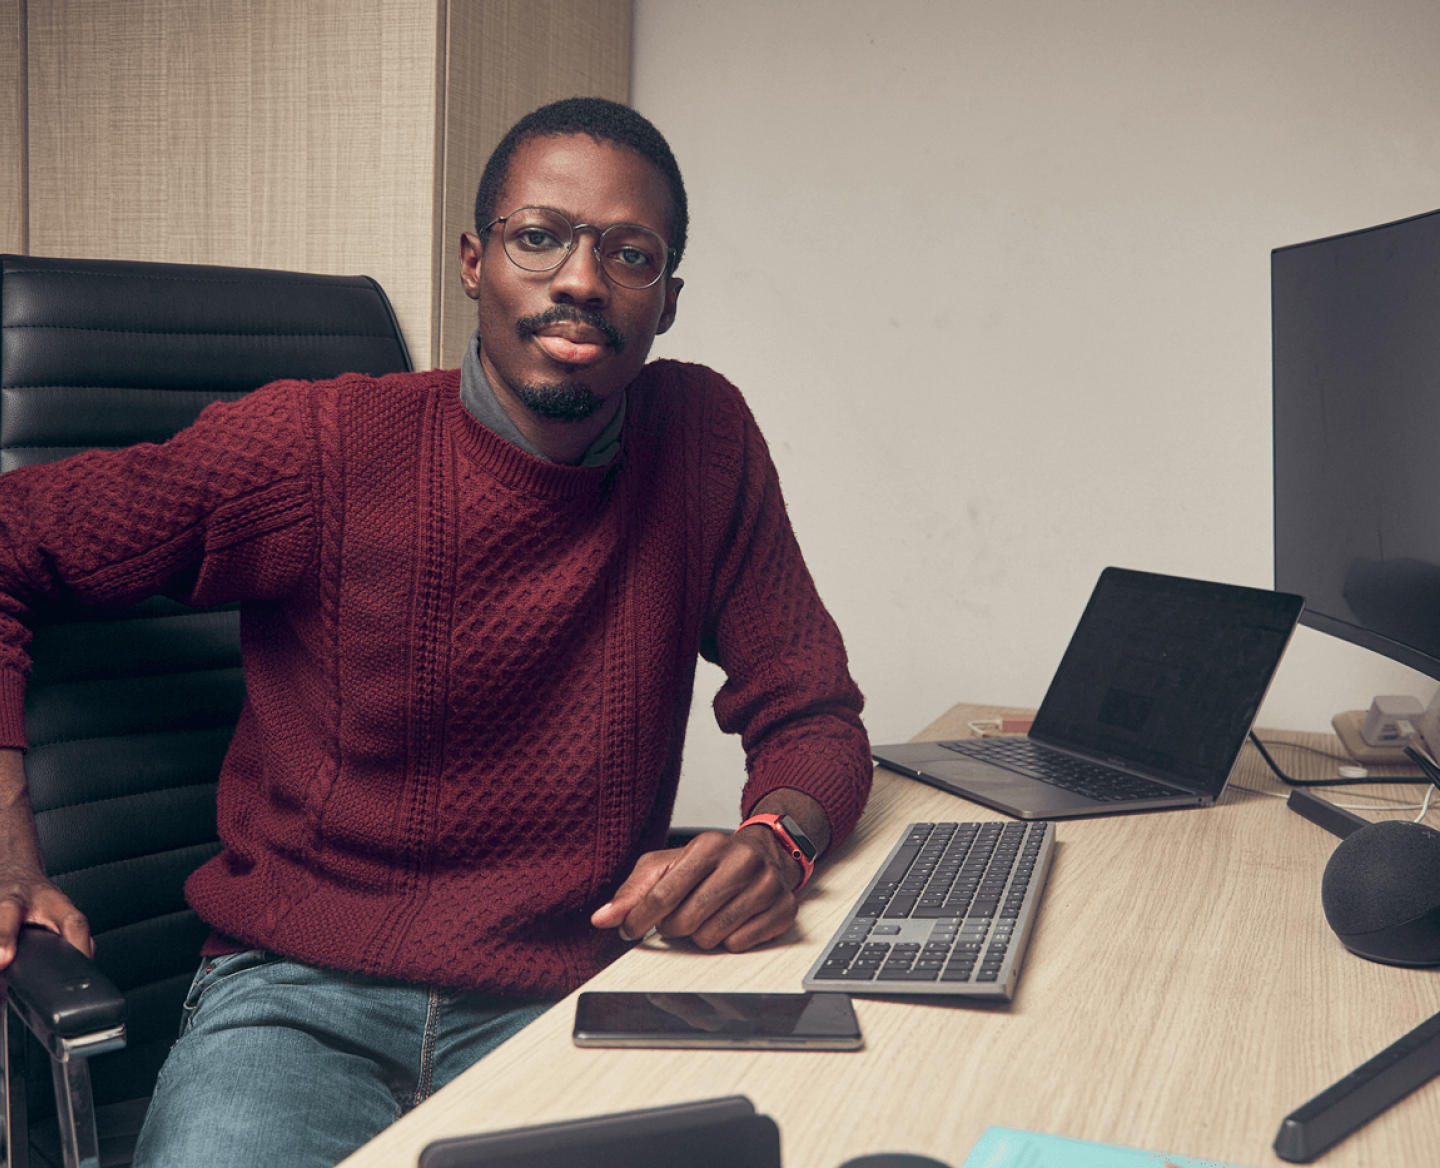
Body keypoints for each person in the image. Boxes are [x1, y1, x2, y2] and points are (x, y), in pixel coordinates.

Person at [0, 96, 870, 1165]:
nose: (581, 280)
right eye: (539, 236)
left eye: (628, 253)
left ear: (668, 301)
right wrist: (6, 848)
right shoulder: (322, 448)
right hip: (297, 1005)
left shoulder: (704, 441)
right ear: (474, 261)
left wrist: (776, 841)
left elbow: (814, 711)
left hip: (568, 1002)